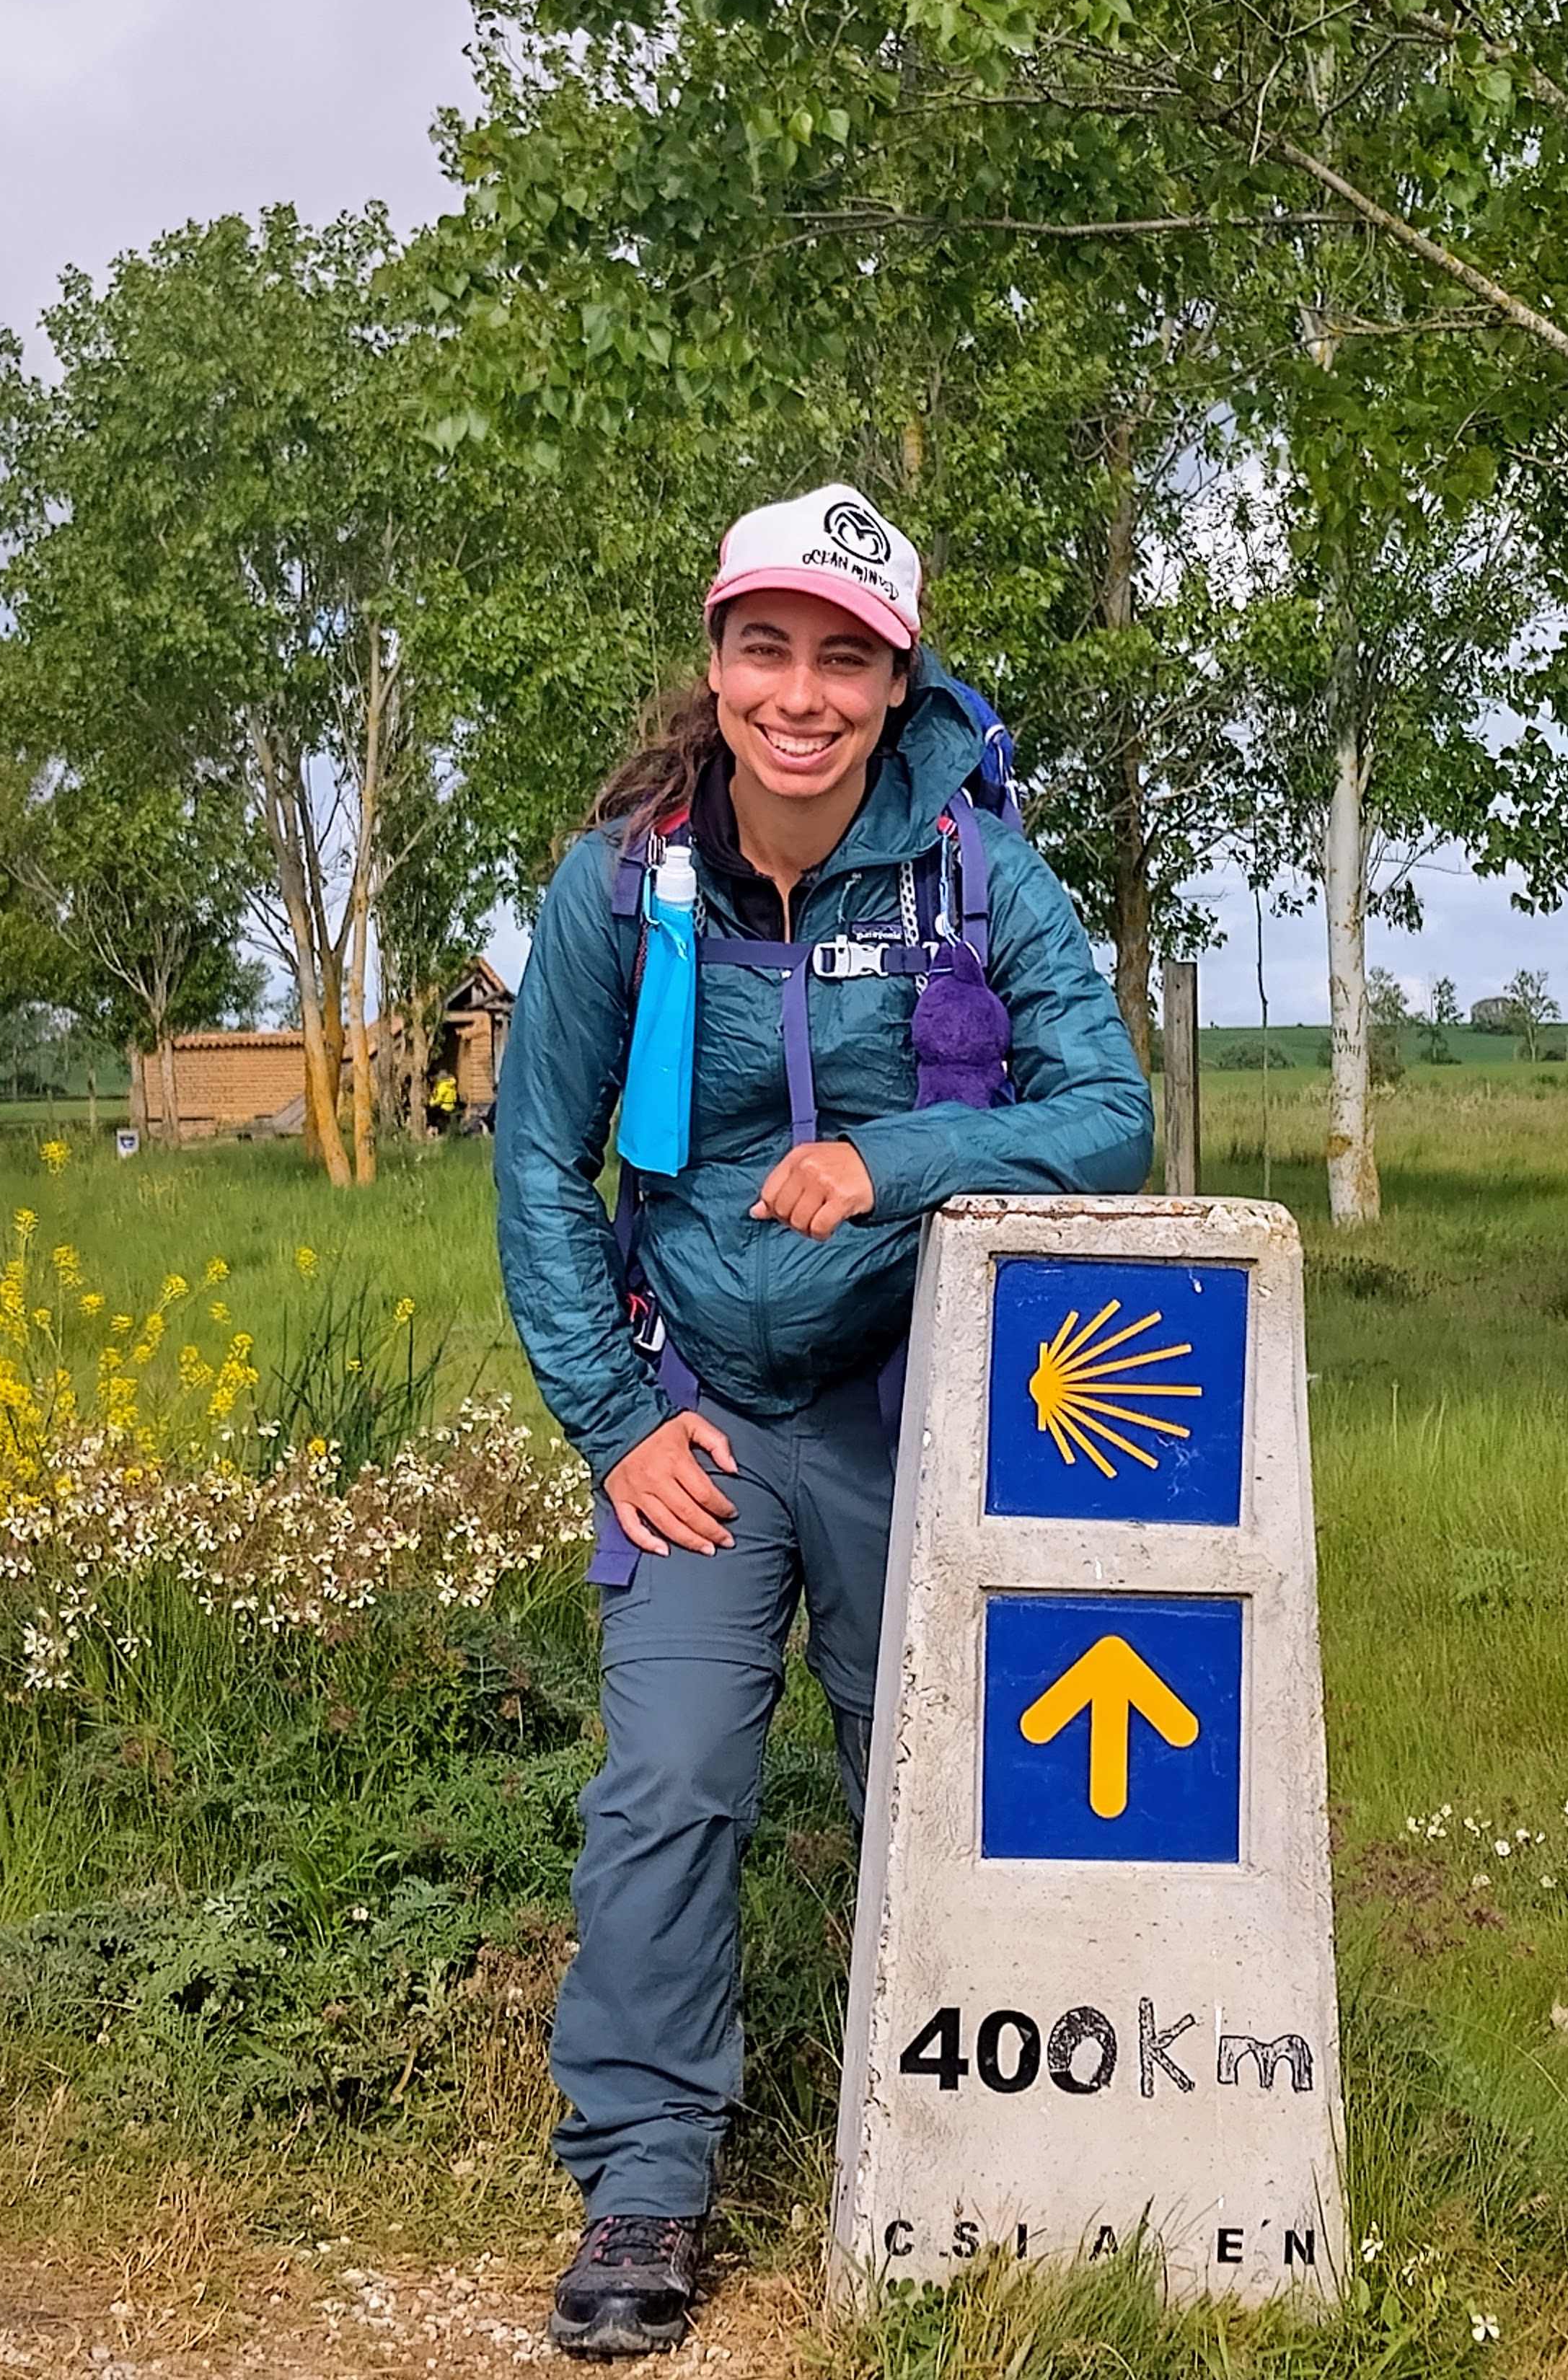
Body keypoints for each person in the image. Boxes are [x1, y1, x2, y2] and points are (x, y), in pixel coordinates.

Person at [495, 485, 1154, 2359]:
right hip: (695, 1413)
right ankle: (644, 2178)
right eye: (765, 647)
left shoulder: (970, 869)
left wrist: (891, 1160)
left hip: (911, 1417)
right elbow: (540, 1168)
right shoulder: (623, 881)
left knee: (932, 1792)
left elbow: (1107, 1118)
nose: (801, 692)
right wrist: (617, 1422)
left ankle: (984, 2143)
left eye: (844, 657)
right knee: (673, 1783)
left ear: (894, 680)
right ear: (714, 663)